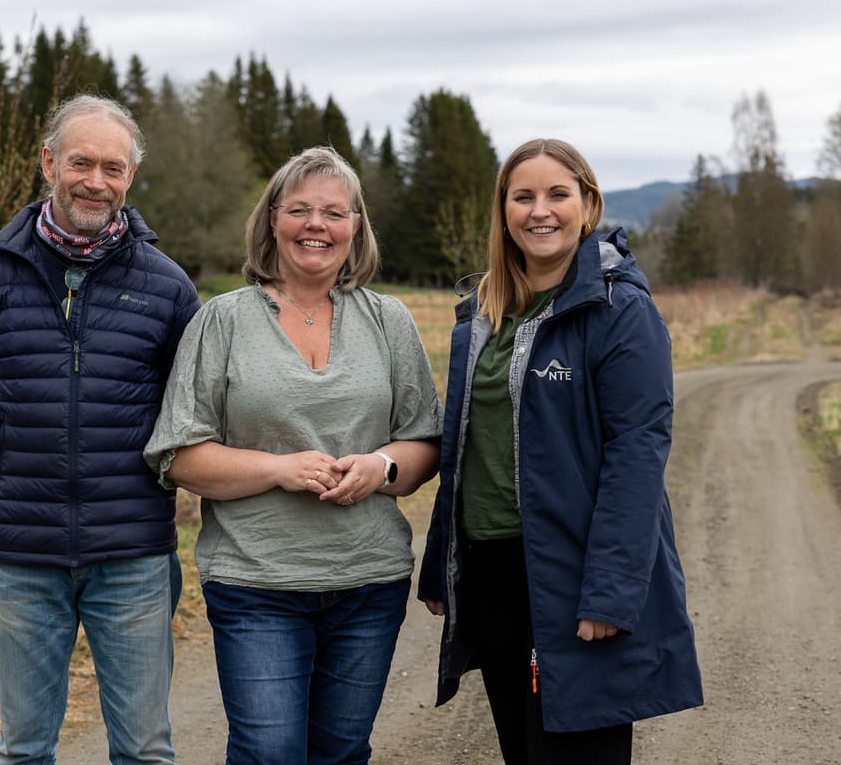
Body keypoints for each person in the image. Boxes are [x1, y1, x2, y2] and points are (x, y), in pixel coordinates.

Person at [144, 146, 442, 765]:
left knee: (341, 752)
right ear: (272, 219)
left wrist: (381, 468)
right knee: (269, 752)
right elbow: (179, 456)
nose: (316, 225)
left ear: (355, 226)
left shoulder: (389, 321)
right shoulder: (221, 321)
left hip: (368, 581)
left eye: (334, 212)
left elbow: (425, 442)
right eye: (300, 209)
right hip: (256, 583)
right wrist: (279, 469)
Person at [417, 138, 702, 764]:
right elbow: (467, 447)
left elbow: (637, 455)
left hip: (574, 573)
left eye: (557, 194)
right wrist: (443, 559)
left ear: (588, 205)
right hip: (492, 572)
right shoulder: (483, 316)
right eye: (523, 196)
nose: (539, 210)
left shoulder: (619, 309)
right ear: (504, 212)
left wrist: (610, 591)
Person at [0, 94, 200, 765]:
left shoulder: (168, 288)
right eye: (81, 162)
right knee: (23, 750)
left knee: (144, 749)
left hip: (133, 552)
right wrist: (13, 479)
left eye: (113, 168)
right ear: (49, 162)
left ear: (130, 177)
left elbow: (187, 411)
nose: (95, 181)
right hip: (21, 553)